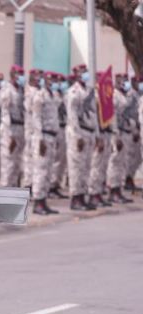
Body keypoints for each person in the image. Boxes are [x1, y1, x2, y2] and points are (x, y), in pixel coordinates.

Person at [66, 64, 98, 210]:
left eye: (86, 71)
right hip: (78, 134)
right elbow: (72, 116)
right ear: (77, 75)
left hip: (89, 132)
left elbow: (94, 114)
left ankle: (82, 197)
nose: (84, 74)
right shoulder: (73, 92)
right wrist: (77, 136)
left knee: (86, 167)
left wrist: (97, 135)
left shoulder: (90, 91)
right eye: (82, 72)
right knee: (76, 167)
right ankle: (75, 199)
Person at [30, 71, 60, 215]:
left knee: (48, 171)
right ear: (44, 80)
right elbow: (36, 118)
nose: (53, 81)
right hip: (43, 137)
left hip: (52, 136)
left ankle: (44, 200)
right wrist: (40, 138)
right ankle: (37, 202)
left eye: (54, 78)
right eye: (50, 78)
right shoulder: (39, 96)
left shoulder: (53, 95)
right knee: (40, 170)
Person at [87, 71, 114, 209]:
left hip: (105, 133)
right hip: (98, 134)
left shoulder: (105, 95)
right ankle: (92, 193)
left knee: (102, 166)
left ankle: (97, 193)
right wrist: (98, 136)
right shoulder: (94, 96)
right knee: (96, 166)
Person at [109, 73, 135, 203]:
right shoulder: (114, 95)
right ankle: (113, 190)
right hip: (117, 133)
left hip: (125, 132)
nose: (125, 82)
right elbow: (112, 116)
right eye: (123, 80)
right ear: (117, 81)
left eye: (126, 80)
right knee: (115, 162)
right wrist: (116, 134)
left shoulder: (124, 95)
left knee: (122, 163)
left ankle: (118, 189)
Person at [0, 65, 26, 187]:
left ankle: (13, 194)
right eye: (19, 74)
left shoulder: (20, 90)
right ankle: (4, 194)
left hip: (20, 128)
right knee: (8, 164)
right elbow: (5, 113)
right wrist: (10, 136)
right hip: (9, 130)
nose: (22, 77)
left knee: (17, 164)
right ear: (13, 74)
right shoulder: (6, 90)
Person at [49, 73, 69, 199]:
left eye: (61, 82)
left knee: (61, 160)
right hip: (55, 130)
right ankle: (51, 185)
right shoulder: (53, 96)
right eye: (58, 81)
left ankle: (56, 184)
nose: (60, 84)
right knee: (55, 159)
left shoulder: (63, 95)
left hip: (64, 128)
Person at [23, 68, 43, 189]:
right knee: (28, 157)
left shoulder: (38, 91)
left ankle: (31, 184)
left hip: (35, 128)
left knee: (34, 158)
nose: (39, 79)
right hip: (29, 128)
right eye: (37, 77)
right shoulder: (28, 91)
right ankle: (27, 184)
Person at [125, 75, 142, 194]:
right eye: (138, 82)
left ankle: (130, 178)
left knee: (137, 158)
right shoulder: (130, 95)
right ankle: (127, 179)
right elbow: (126, 114)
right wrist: (133, 128)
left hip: (138, 129)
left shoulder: (139, 95)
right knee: (130, 157)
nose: (139, 84)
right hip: (132, 130)